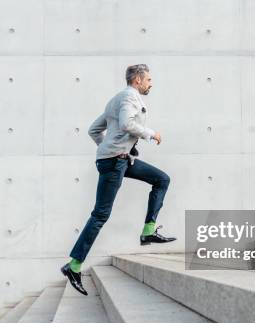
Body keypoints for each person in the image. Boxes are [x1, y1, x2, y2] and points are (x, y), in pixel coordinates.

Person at [61, 64, 177, 295]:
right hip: (115, 163)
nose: (150, 83)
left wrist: (111, 148)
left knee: (162, 179)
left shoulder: (116, 99)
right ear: (137, 80)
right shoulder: (129, 99)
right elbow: (127, 124)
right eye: (148, 80)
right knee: (100, 214)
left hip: (121, 160)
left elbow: (94, 130)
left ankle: (148, 230)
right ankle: (73, 265)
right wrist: (151, 134)